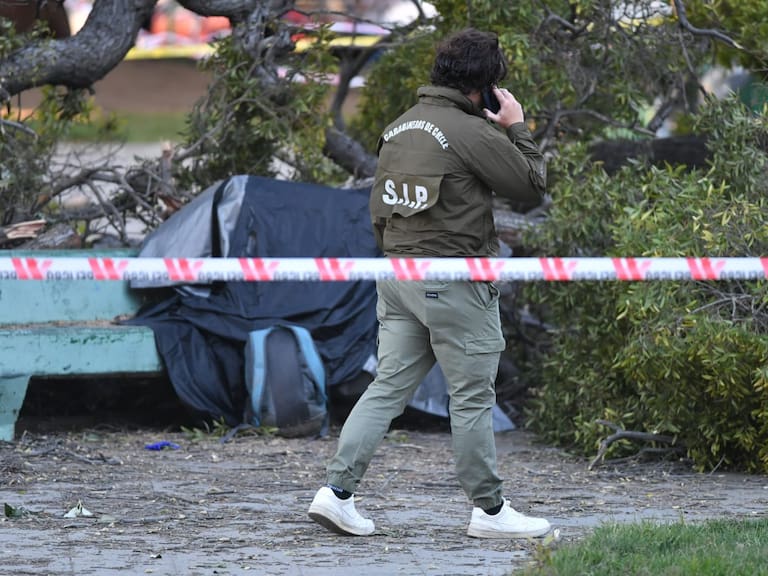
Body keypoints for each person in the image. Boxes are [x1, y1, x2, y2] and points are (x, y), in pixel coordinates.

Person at [308, 27, 551, 539]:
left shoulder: (399, 128)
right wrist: (517, 126)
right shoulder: (474, 133)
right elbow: (531, 186)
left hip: (398, 277)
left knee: (386, 388)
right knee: (469, 398)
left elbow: (378, 210)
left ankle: (335, 493)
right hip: (455, 282)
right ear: (482, 88)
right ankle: (490, 512)